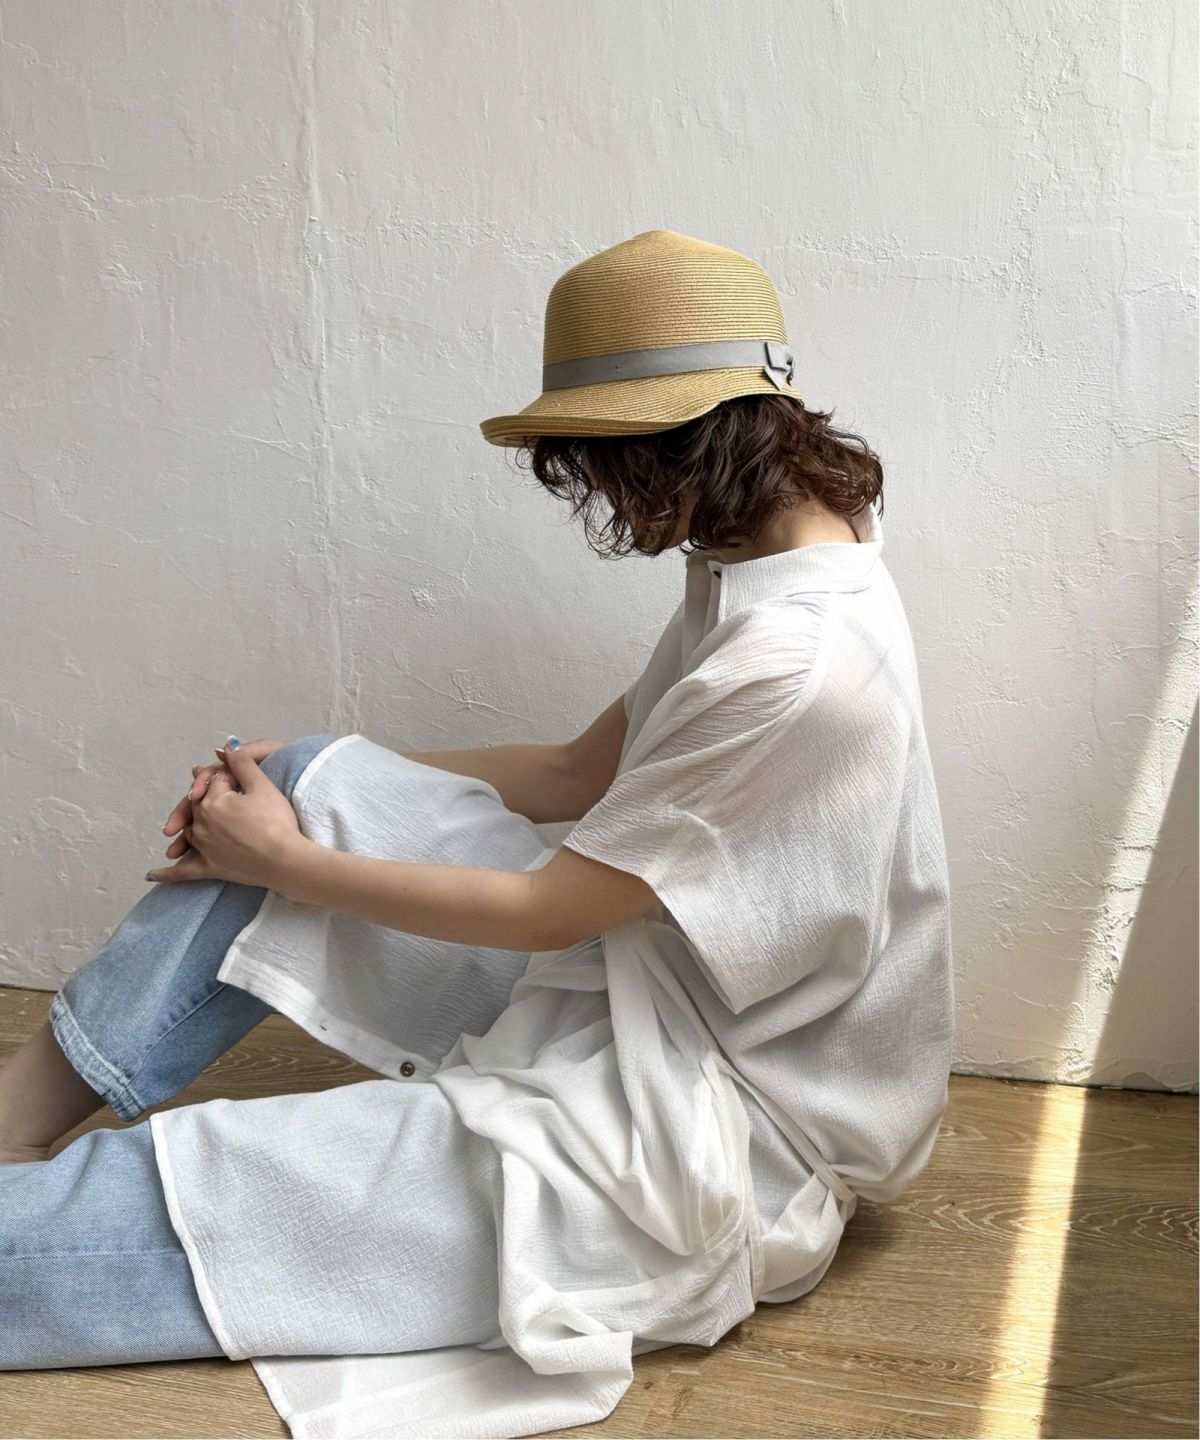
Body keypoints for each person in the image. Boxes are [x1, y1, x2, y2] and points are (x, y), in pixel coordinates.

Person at [0, 230, 954, 1438]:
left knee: (213, 1199)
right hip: (643, 1002)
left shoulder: (796, 662)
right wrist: (292, 778)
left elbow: (553, 910)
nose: (596, 499)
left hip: (698, 1143)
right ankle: (11, 1123)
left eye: (596, 466)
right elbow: (578, 771)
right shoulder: (772, 556)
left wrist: (283, 863)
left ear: (668, 445)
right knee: (301, 778)